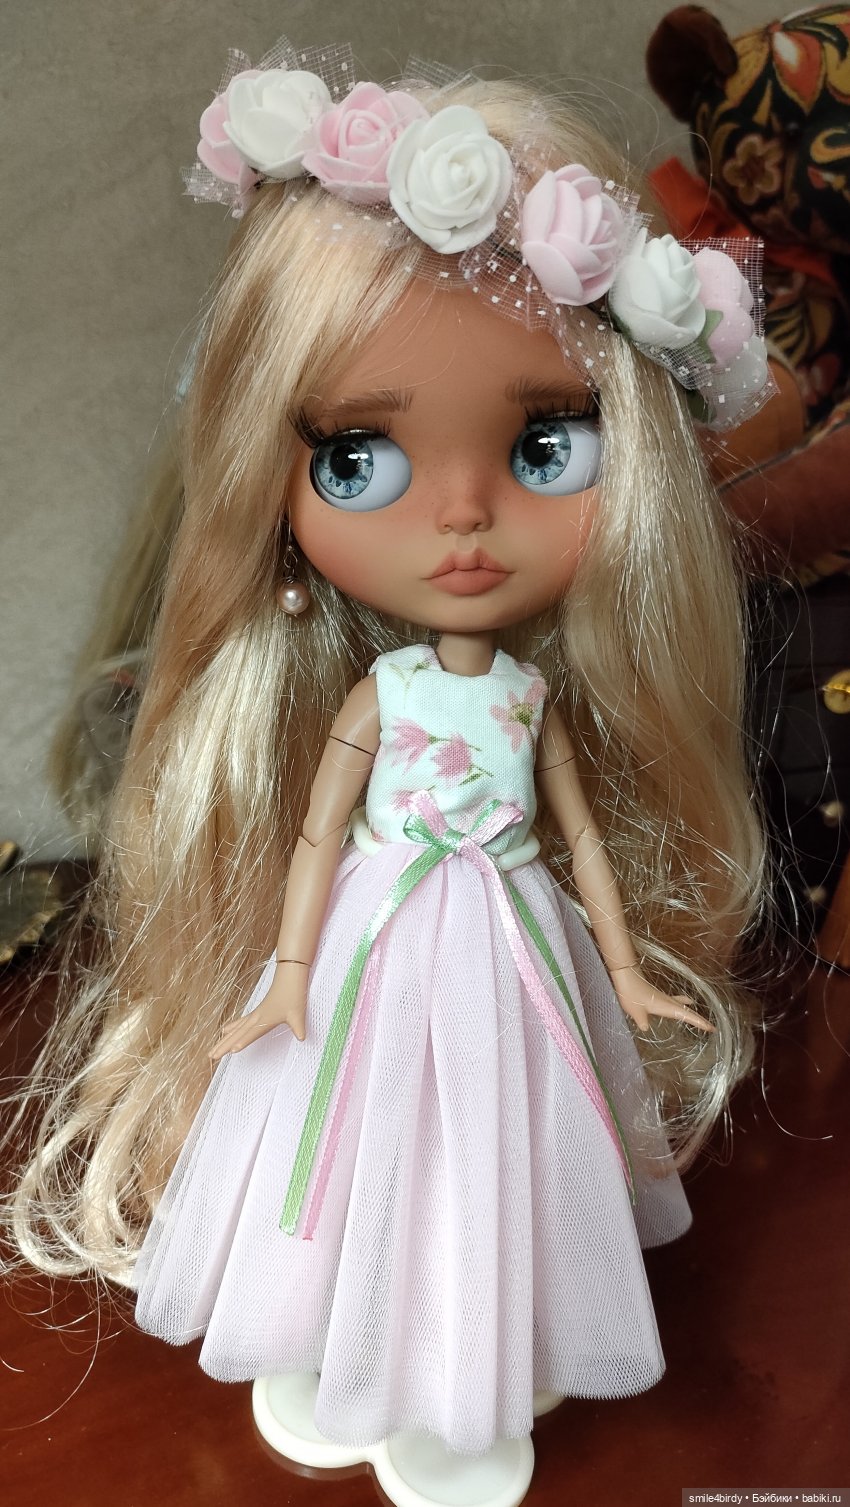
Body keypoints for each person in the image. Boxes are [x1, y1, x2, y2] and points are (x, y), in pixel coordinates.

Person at [9, 38, 768, 1507]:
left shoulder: (529, 696)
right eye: (359, 458)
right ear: (274, 489)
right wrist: (289, 972)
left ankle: (479, 1350)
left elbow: (577, 837)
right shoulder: (381, 693)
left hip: (510, 931)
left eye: (545, 446)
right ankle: (335, 1323)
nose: (464, 514)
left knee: (493, 1123)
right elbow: (312, 837)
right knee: (354, 1120)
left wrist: (621, 969)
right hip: (371, 930)